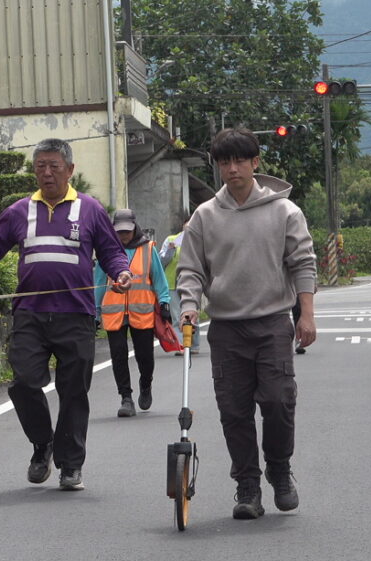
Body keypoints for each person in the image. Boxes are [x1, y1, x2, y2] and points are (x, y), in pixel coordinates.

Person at [0, 138, 131, 491]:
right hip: (29, 315)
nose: (47, 172)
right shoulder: (18, 211)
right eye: (40, 165)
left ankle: (71, 466)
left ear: (70, 170)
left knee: (73, 392)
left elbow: (112, 252)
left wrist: (121, 273)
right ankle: (43, 445)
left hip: (76, 316)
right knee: (24, 384)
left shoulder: (90, 210)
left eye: (55, 165)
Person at [176, 127, 317, 520]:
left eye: (240, 160)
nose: (232, 168)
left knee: (277, 400)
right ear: (218, 166)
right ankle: (248, 486)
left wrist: (306, 314)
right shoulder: (204, 217)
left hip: (273, 322)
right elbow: (191, 271)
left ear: (256, 163)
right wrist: (189, 305)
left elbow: (303, 263)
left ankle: (280, 469)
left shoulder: (284, 211)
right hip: (226, 328)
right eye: (224, 162)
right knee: (234, 411)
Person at [93, 208, 171, 418]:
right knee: (118, 356)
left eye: (127, 231)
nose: (123, 235)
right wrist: (95, 311)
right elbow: (98, 282)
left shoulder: (147, 249)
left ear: (134, 228)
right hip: (113, 312)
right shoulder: (106, 250)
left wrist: (164, 303)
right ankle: (125, 398)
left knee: (144, 356)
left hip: (142, 310)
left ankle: (146, 385)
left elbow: (158, 277)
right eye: (119, 231)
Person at [161, 219, 201, 355]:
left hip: (192, 283)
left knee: (192, 313)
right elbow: (162, 261)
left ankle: (194, 345)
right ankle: (181, 346)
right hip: (172, 283)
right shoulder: (171, 240)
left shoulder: (199, 240)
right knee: (177, 316)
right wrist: (170, 251)